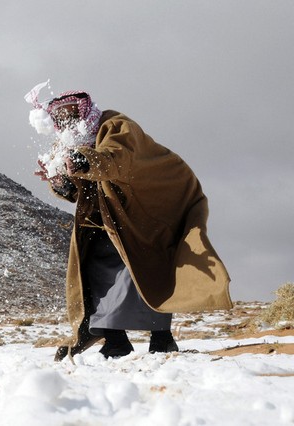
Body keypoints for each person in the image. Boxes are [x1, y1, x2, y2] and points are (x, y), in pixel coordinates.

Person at [28, 88, 233, 360]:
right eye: (60, 117)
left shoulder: (114, 124)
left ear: (82, 108)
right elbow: (78, 190)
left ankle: (162, 339)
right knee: (95, 270)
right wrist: (61, 182)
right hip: (107, 217)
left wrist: (82, 161)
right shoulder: (68, 144)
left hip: (147, 206)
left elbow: (118, 159)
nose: (66, 121)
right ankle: (115, 341)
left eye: (70, 113)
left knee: (148, 268)